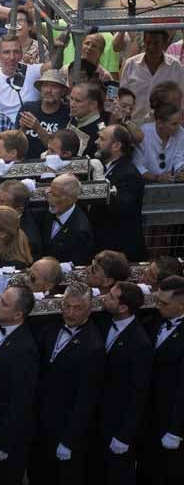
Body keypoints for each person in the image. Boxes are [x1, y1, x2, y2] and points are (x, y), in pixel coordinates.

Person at [30, 281, 104, 483]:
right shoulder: (50, 330)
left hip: (67, 430)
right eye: (67, 306)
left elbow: (87, 399)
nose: (70, 313)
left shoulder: (93, 346)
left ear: (89, 310)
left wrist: (70, 440)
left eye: (77, 308)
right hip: (42, 424)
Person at [0, 285, 39, 485]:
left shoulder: (26, 348)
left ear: (18, 314)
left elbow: (22, 400)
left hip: (9, 435)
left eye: (4, 303)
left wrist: (4, 442)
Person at [98, 281, 153, 484]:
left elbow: (139, 392)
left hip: (118, 424)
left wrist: (125, 435)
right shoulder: (104, 322)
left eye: (111, 297)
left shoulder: (139, 343)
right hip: (100, 419)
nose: (105, 298)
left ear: (123, 308)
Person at [143, 276, 184, 483]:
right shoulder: (157, 320)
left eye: (164, 303)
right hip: (150, 413)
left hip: (171, 417)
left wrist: (176, 430)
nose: (158, 306)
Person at [93, 124, 147, 260]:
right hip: (102, 245)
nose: (96, 142)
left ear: (116, 146)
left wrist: (101, 186)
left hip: (119, 251)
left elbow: (122, 207)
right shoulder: (105, 167)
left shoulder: (129, 174)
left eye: (102, 139)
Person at [120, 30, 184, 122]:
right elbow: (123, 96)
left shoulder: (175, 66)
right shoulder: (131, 64)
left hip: (164, 128)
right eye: (148, 42)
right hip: (135, 125)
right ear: (144, 42)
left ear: (164, 44)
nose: (151, 47)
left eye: (156, 43)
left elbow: (181, 99)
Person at [17, 68, 71, 159]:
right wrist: (22, 129)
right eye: (45, 85)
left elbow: (58, 150)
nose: (49, 90)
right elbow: (16, 146)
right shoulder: (28, 108)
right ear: (40, 89)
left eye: (54, 86)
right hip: (26, 165)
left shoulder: (67, 113)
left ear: (63, 91)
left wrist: (38, 128)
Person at [42, 173, 94, 266]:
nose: (50, 199)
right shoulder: (48, 211)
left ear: (71, 199)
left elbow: (78, 263)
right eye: (50, 193)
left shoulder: (80, 230)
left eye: (56, 195)